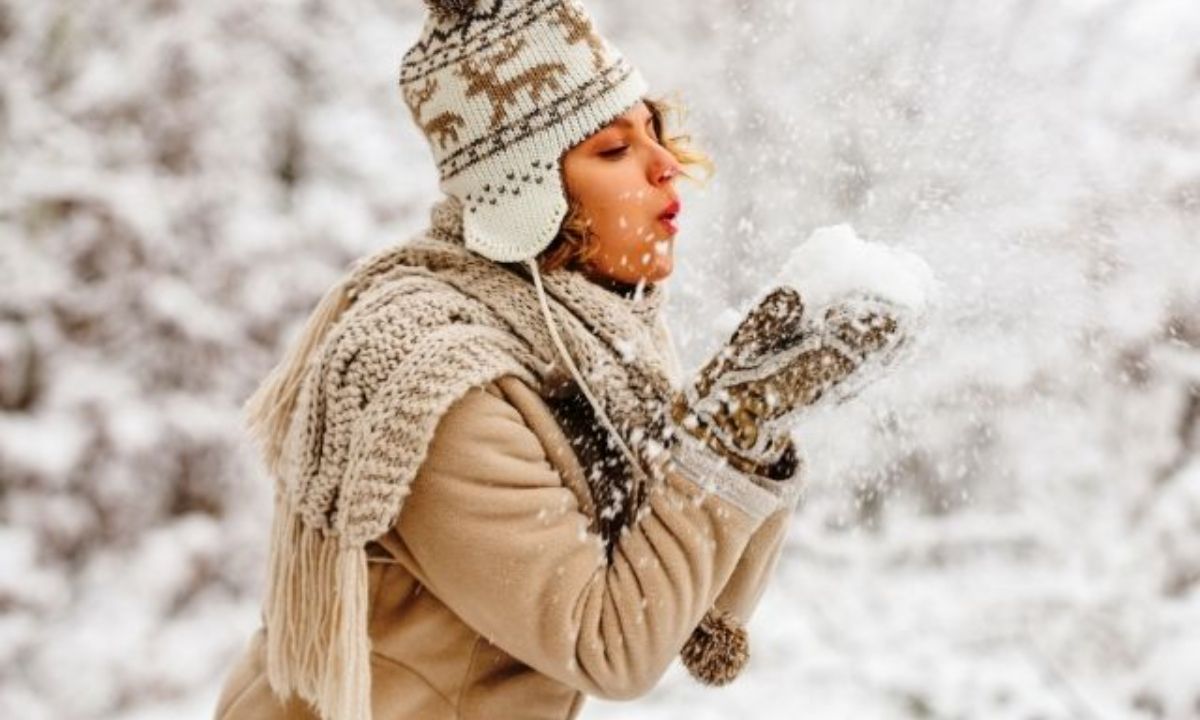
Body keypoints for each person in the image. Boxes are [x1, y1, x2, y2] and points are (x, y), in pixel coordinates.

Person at [213, 2, 910, 719]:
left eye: (655, 131)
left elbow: (692, 605)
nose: (666, 165)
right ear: (526, 193)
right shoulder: (436, 383)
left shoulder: (593, 342)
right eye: (614, 150)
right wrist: (721, 439)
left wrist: (754, 428)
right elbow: (611, 644)